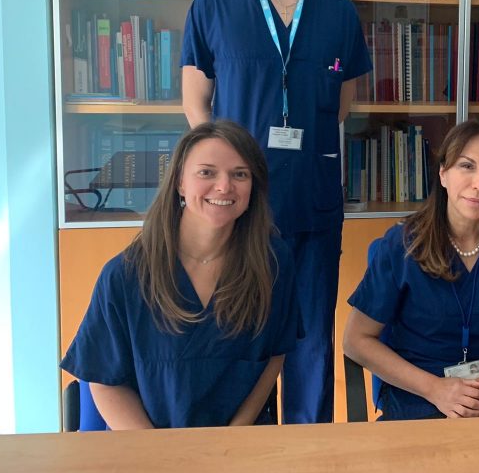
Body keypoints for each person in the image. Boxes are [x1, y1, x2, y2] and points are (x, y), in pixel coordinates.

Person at [181, 0, 371, 424]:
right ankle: (244, 454)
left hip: (312, 206)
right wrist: (220, 179)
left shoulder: (339, 13)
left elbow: (342, 106)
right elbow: (196, 106)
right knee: (241, 340)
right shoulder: (214, 5)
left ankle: (309, 458)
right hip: (237, 212)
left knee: (311, 344)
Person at [61, 120, 300, 429]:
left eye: (240, 174)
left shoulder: (273, 263)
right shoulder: (125, 275)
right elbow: (106, 382)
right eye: (207, 172)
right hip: (146, 445)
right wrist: (162, 451)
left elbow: (274, 355)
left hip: (242, 442)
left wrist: (235, 436)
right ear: (179, 183)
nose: (224, 186)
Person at [343, 118, 479, 421]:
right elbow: (356, 340)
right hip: (418, 394)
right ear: (443, 173)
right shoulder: (401, 245)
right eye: (467, 166)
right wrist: (434, 389)